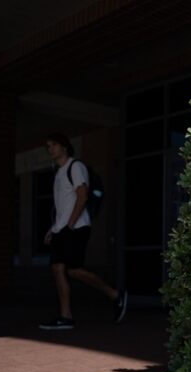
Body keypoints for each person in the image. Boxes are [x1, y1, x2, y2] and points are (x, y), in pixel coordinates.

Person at [39, 132, 127, 330]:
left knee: (73, 270)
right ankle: (65, 316)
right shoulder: (59, 172)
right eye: (48, 146)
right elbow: (62, 206)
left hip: (76, 227)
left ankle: (115, 294)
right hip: (62, 229)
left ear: (64, 147)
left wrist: (69, 225)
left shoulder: (75, 167)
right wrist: (53, 229)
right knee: (58, 268)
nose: (50, 149)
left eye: (53, 145)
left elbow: (82, 197)